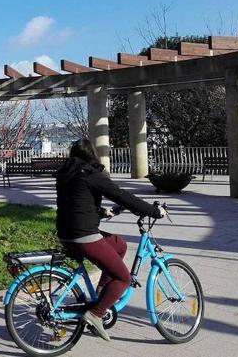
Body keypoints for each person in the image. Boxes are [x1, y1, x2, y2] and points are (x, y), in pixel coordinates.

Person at [54, 138, 166, 342]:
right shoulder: (91, 174)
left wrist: (102, 212)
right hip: (83, 236)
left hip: (66, 232)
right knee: (124, 278)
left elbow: (75, 204)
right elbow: (122, 195)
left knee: (119, 245)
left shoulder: (66, 175)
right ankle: (96, 313)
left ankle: (101, 293)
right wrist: (153, 211)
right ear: (92, 155)